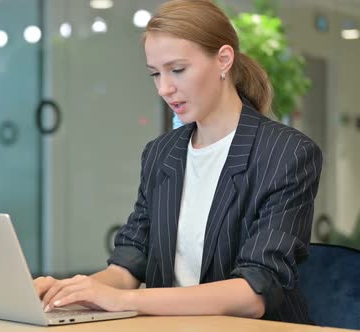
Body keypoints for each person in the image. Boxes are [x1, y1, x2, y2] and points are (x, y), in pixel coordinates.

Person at [34, 0, 323, 324]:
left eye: (177, 70)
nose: (164, 88)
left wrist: (125, 300)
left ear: (223, 61)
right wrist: (67, 291)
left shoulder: (287, 153)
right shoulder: (161, 153)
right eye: (155, 74)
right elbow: (129, 265)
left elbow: (254, 292)